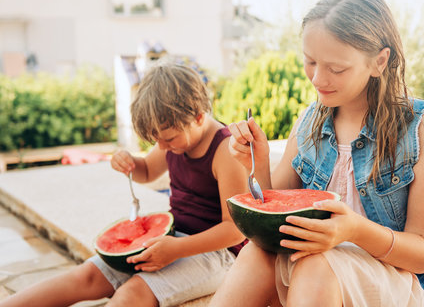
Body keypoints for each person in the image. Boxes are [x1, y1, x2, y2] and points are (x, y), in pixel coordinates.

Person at [210, 0, 424, 307]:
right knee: (256, 254)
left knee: (316, 266)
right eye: (310, 62)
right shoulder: (310, 122)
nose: (317, 79)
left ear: (379, 61)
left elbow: (423, 255)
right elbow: (276, 211)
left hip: (404, 281)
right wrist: (258, 162)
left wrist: (353, 231)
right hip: (318, 270)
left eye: (336, 69)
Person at [1, 60, 248, 307]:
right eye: (156, 140)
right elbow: (148, 171)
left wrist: (177, 249)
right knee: (86, 277)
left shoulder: (225, 152)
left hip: (217, 254)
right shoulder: (174, 138)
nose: (162, 147)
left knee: (132, 294)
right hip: (172, 237)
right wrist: (129, 162)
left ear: (198, 117)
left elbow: (235, 230)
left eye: (168, 139)